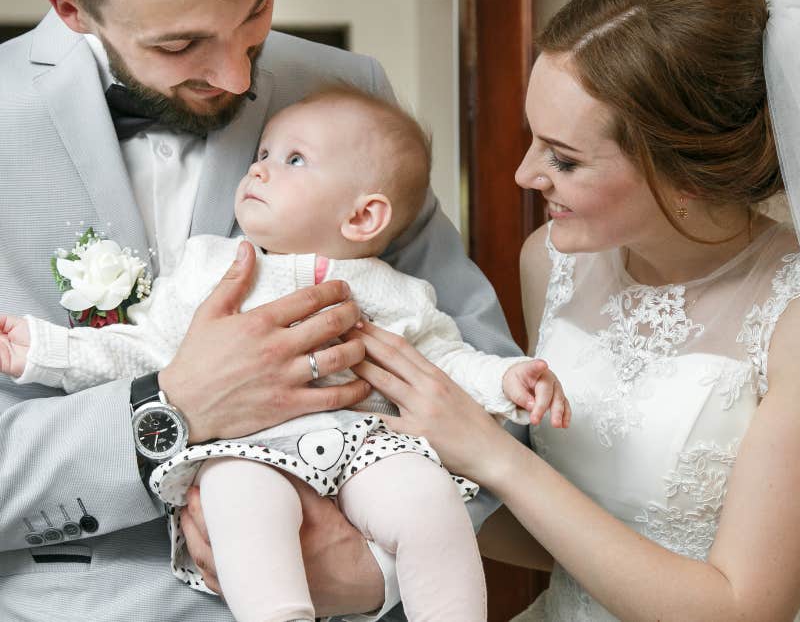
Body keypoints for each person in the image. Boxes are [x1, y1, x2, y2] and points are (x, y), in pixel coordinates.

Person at [0, 0, 524, 622]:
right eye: (180, 46)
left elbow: (478, 383)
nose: (240, 81)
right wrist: (167, 404)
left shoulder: (345, 90)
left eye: (256, 11)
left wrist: (378, 576)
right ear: (73, 11)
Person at [350, 0, 800, 621]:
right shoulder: (550, 264)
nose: (527, 173)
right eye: (534, 139)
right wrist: (396, 446)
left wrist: (497, 457)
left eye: (564, 157)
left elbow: (745, 608)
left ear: (686, 173)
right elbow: (566, 540)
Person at [0, 86, 568, 622]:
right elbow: (145, 349)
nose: (259, 167)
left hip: (367, 448)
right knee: (242, 510)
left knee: (429, 501)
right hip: (245, 453)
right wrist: (48, 350)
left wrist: (507, 379)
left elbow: (442, 361)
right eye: (263, 151)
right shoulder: (210, 267)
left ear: (363, 216)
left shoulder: (396, 291)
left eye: (293, 160)